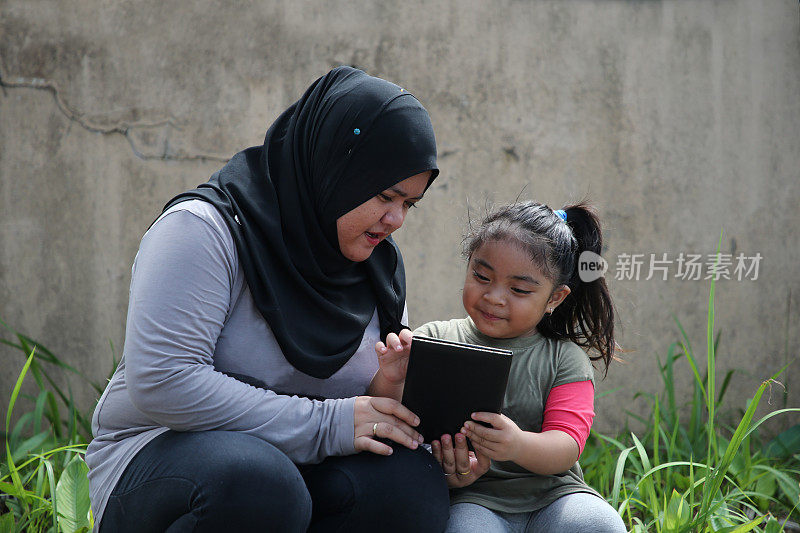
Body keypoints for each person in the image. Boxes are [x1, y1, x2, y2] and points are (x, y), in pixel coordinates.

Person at [85, 66, 450, 532]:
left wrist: (393, 399)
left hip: (302, 473)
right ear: (333, 165)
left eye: (409, 205)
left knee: (407, 485)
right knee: (259, 483)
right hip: (166, 463)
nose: (396, 219)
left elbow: (359, 415)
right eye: (385, 195)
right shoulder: (205, 230)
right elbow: (163, 380)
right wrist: (324, 426)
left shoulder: (376, 266)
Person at [375, 201, 627, 532]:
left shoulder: (563, 359)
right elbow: (387, 414)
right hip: (473, 498)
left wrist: (517, 444)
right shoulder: (435, 339)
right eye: (481, 276)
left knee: (598, 524)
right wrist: (391, 377)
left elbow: (567, 445)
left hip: (554, 496)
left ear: (555, 298)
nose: (494, 297)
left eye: (519, 289)